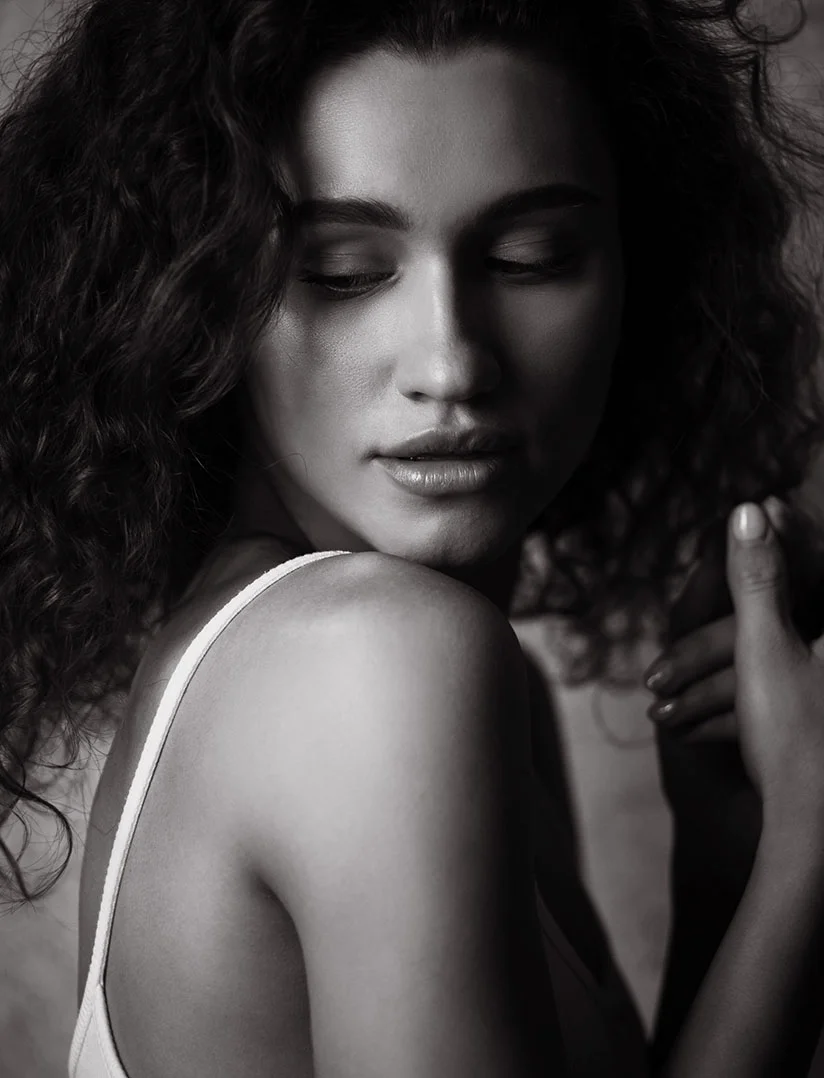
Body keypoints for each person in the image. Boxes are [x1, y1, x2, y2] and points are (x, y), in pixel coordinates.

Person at [1, 0, 824, 1075]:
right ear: (195, 297)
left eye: (530, 257)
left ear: (642, 268)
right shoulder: (378, 656)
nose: (450, 360)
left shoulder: (386, 661)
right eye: (342, 272)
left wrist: (734, 866)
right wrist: (810, 855)